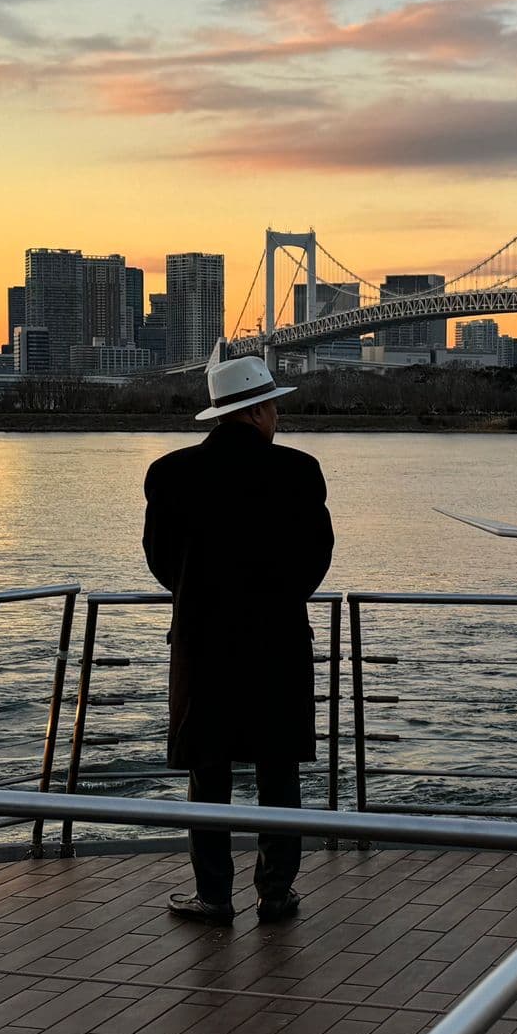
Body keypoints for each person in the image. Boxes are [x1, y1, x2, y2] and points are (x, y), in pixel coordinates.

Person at [143, 352, 334, 925]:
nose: (278, 416)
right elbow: (316, 556)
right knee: (279, 772)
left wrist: (197, 592)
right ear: (259, 411)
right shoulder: (300, 472)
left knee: (209, 771)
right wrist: (278, 596)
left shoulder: (170, 473)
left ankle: (214, 895)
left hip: (203, 642)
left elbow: (159, 559)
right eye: (274, 406)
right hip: (277, 640)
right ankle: (275, 892)